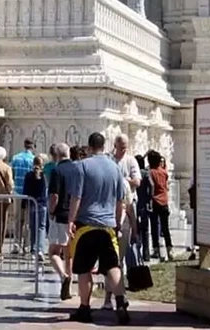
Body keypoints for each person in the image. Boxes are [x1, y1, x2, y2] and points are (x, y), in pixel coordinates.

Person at [67, 132, 131, 325]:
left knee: (84, 268)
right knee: (112, 265)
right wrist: (117, 221)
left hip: (86, 225)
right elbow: (121, 200)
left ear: (89, 147)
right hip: (107, 225)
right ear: (105, 146)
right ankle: (120, 301)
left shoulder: (82, 166)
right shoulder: (115, 168)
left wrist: (71, 220)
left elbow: (76, 197)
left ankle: (85, 308)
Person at [103, 134, 142, 311]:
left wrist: (134, 227)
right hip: (109, 220)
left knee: (117, 260)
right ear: (115, 145)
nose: (124, 148)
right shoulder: (110, 162)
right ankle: (113, 297)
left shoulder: (130, 163)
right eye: (121, 145)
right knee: (112, 260)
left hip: (119, 221)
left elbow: (129, 206)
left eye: (126, 145)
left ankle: (115, 296)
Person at [47, 142, 76, 300]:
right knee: (69, 253)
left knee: (53, 252)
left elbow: (54, 196)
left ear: (56, 156)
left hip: (60, 215)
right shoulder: (77, 169)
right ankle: (69, 288)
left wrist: (51, 210)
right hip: (74, 215)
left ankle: (64, 276)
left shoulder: (57, 171)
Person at [147, 150, 174, 261]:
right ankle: (169, 249)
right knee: (165, 227)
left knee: (154, 226)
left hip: (155, 201)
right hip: (164, 201)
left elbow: (152, 185)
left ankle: (156, 249)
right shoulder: (164, 172)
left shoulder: (151, 172)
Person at [11, 139, 36, 254]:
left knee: (17, 219)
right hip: (29, 194)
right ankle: (26, 245)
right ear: (33, 147)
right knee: (27, 221)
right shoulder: (33, 160)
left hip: (17, 191)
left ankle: (16, 244)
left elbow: (13, 174)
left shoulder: (16, 158)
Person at [24, 155, 49, 260]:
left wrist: (23, 204)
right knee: (41, 227)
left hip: (31, 203)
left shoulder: (28, 175)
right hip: (42, 204)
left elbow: (25, 190)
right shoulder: (44, 176)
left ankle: (33, 249)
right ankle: (40, 249)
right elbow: (45, 191)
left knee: (32, 227)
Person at [134, 155, 152, 262]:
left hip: (136, 204)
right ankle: (146, 254)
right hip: (144, 205)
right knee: (145, 231)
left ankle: (137, 253)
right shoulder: (146, 173)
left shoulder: (135, 175)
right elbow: (152, 185)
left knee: (136, 230)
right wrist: (150, 198)